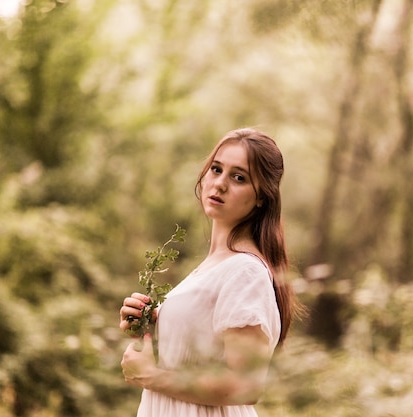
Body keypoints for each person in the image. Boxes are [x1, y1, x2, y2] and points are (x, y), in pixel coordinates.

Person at [119, 128, 298, 417]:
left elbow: (247, 385)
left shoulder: (245, 272)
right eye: (216, 169)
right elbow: (194, 357)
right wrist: (147, 327)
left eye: (239, 177)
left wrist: (152, 377)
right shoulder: (213, 267)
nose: (220, 184)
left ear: (262, 197)